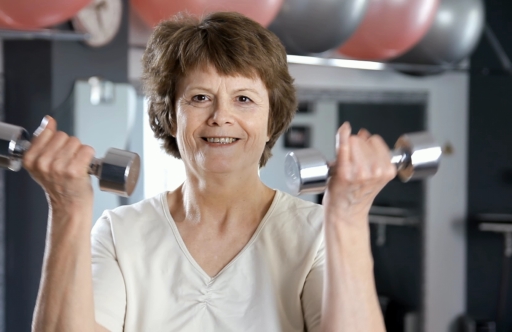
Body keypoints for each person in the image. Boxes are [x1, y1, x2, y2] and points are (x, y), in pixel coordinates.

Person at [28, 12, 394, 332]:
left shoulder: (316, 233)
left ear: (272, 120)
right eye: (200, 97)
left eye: (244, 99)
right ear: (172, 117)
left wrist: (347, 218)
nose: (221, 116)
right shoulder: (119, 233)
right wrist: (67, 208)